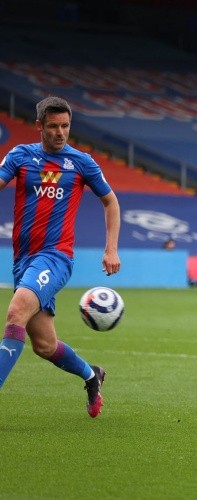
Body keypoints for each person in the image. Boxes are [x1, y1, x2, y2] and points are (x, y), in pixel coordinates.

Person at [0, 96, 121, 418]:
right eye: (53, 126)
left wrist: (110, 249)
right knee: (44, 346)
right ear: (39, 126)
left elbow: (111, 202)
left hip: (55, 257)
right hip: (23, 260)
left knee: (15, 313)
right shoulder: (21, 156)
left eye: (65, 126)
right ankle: (91, 374)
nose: (60, 132)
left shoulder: (81, 162)